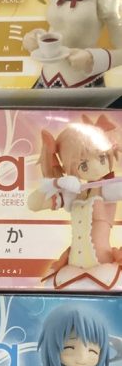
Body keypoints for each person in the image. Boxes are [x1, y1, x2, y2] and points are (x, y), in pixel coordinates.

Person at [28, 115, 122, 289]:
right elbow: (33, 204)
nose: (96, 168)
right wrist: (55, 183)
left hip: (102, 267)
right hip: (73, 266)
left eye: (102, 158)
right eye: (83, 165)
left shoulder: (108, 189)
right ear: (68, 168)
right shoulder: (73, 193)